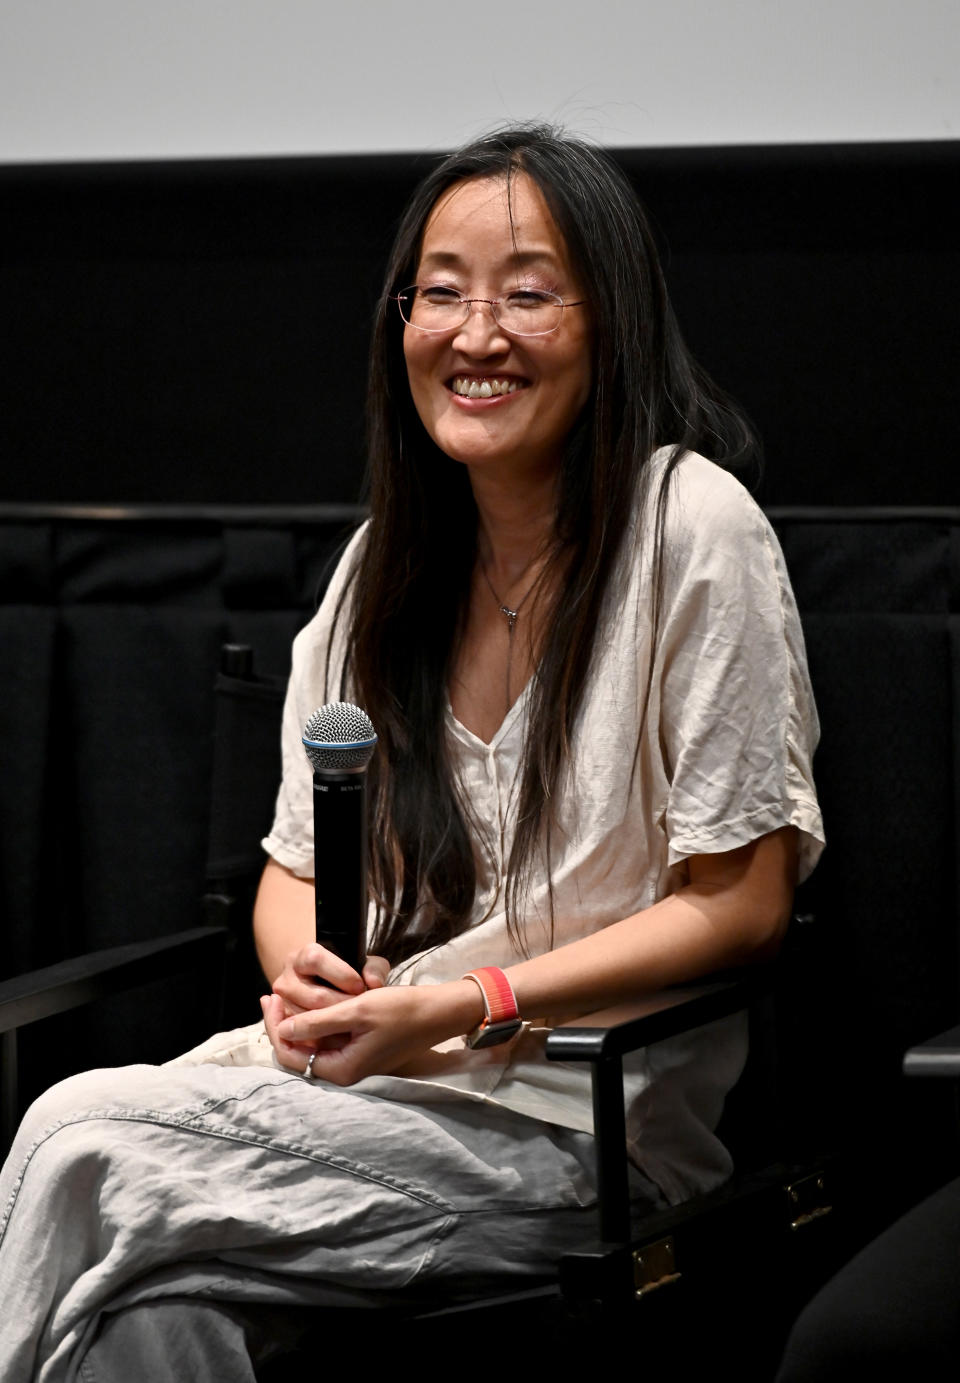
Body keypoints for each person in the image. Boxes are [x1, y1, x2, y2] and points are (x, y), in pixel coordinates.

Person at [0, 126, 823, 1380]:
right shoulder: (383, 568)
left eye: (529, 293)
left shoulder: (692, 529)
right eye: (440, 292)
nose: (476, 333)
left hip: (586, 1124)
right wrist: (318, 975)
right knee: (142, 1314)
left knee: (78, 1136)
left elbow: (744, 902)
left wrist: (470, 1004)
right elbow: (290, 867)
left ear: (612, 323)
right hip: (368, 1090)